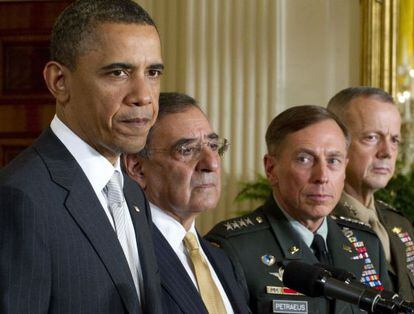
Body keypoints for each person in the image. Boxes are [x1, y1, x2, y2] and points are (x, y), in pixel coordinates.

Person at [0, 1, 164, 313]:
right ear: (59, 82)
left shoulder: (131, 193)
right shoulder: (19, 199)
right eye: (118, 72)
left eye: (153, 72)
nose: (143, 95)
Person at [206, 105, 392, 313]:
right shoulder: (233, 249)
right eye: (304, 159)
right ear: (271, 169)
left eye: (333, 161)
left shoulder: (367, 242)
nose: (322, 176)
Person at [124, 92, 251, 314]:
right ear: (137, 167)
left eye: (213, 145)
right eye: (187, 150)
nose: (211, 163)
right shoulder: (125, 254)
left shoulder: (222, 258)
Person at [327, 86, 414, 301]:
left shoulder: (399, 224)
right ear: (337, 142)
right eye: (372, 137)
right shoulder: (318, 223)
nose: (387, 152)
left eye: (394, 139)